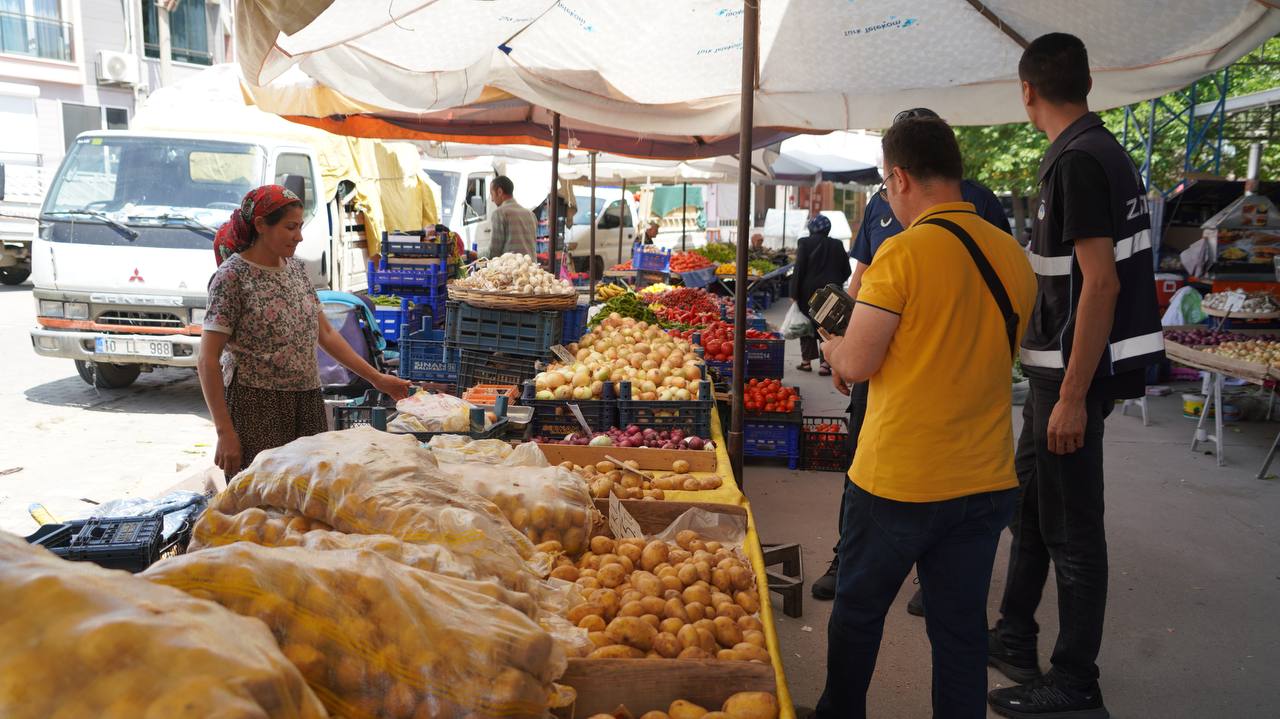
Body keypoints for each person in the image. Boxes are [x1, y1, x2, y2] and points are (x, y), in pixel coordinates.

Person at [814, 115, 1035, 719]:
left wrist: (833, 348)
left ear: (900, 177)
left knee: (858, 617)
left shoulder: (902, 253)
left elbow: (856, 362)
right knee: (960, 635)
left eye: (886, 187)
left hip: (899, 481)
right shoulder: (1012, 257)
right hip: (985, 479)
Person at [987, 33, 1163, 719]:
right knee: (1032, 506)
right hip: (1056, 378)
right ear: (1086, 83)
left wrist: (1072, 398)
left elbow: (1100, 285)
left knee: (1073, 529)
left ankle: (1074, 679)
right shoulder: (1093, 152)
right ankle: (1013, 634)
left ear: (1027, 90)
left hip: (1070, 382)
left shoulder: (1080, 163)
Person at [199, 185, 412, 478]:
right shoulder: (232, 277)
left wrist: (377, 379)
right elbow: (207, 360)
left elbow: (325, 333)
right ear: (261, 225)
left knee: (309, 493)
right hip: (257, 407)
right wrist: (225, 432)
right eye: (290, 227)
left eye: (300, 226)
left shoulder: (297, 270)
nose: (298, 236)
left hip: (308, 399)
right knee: (262, 502)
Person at [789, 215, 850, 375]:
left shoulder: (805, 243)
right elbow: (847, 270)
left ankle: (806, 362)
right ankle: (825, 364)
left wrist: (794, 293)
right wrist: (836, 283)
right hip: (831, 293)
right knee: (828, 325)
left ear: (811, 228)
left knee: (807, 326)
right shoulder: (837, 244)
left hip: (808, 293)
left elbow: (799, 269)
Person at [488, 175, 537, 257]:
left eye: (492, 194)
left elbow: (494, 252)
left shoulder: (499, 213)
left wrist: (475, 254)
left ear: (499, 192)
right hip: (531, 268)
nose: (492, 199)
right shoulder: (531, 214)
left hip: (511, 268)